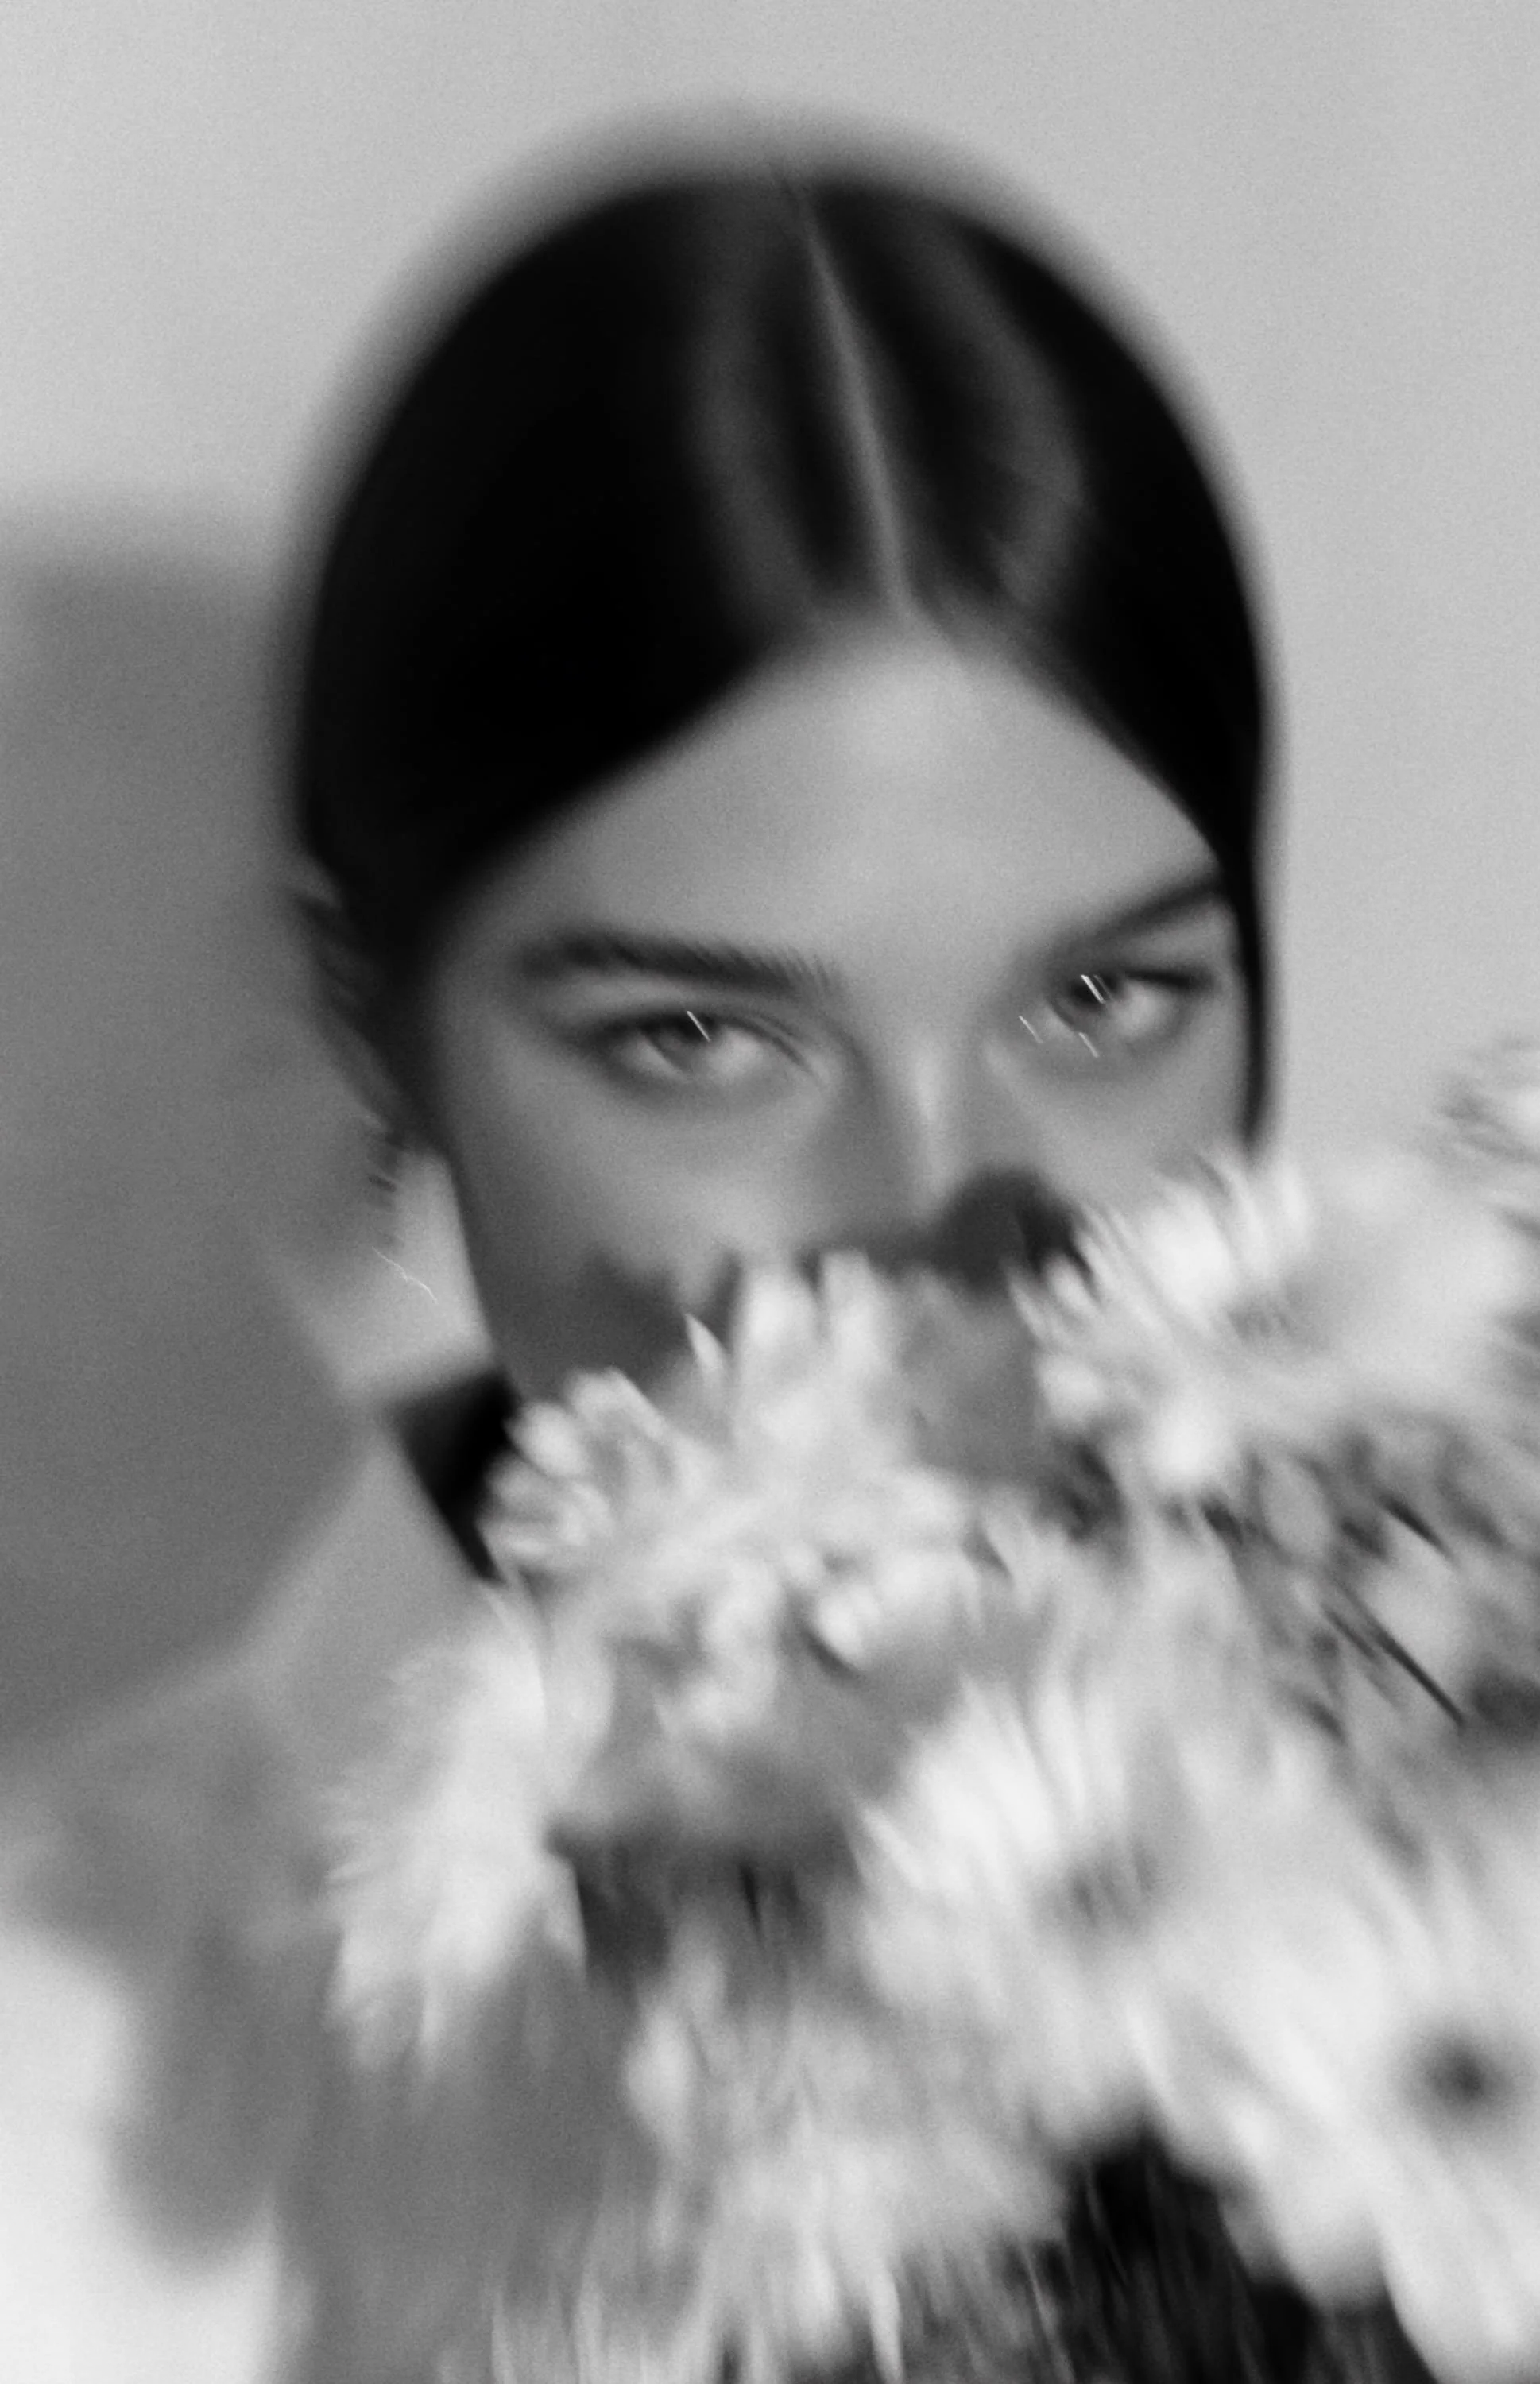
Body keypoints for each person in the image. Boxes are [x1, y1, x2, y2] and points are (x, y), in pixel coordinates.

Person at [7, 129, 1410, 2384]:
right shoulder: (59, 2066)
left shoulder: (1470, 1859)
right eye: (704, 1039)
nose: (949, 1230)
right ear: (377, 1041)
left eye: (1103, 1003)